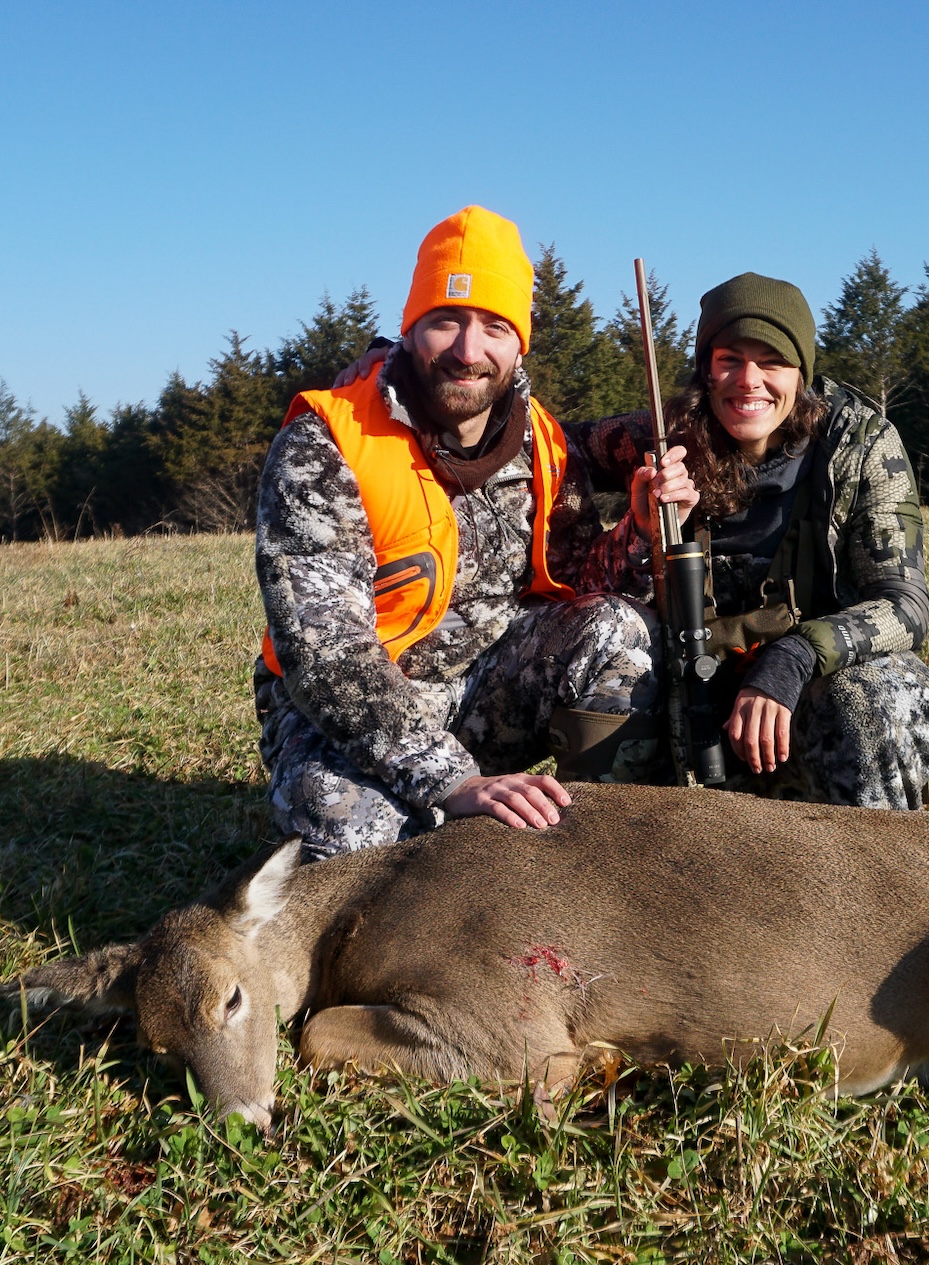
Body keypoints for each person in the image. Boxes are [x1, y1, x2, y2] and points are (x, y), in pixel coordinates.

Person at [253, 206, 662, 861]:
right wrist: (454, 780)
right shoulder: (326, 445)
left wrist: (639, 531)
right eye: (447, 320)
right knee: (352, 831)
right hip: (347, 713)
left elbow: (579, 592)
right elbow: (326, 658)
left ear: (519, 342)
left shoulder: (545, 446)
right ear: (411, 328)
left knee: (620, 629)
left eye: (495, 327)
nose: (470, 352)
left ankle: (596, 859)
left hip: (482, 695)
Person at [563, 272, 929, 808]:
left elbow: (904, 608)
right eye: (729, 359)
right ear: (706, 370)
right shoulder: (663, 435)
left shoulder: (861, 446)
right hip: (687, 701)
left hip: (807, 698)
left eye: (771, 361)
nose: (749, 380)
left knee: (876, 697)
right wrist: (637, 530)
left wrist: (795, 656)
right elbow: (550, 446)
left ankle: (879, 875)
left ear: (801, 374)